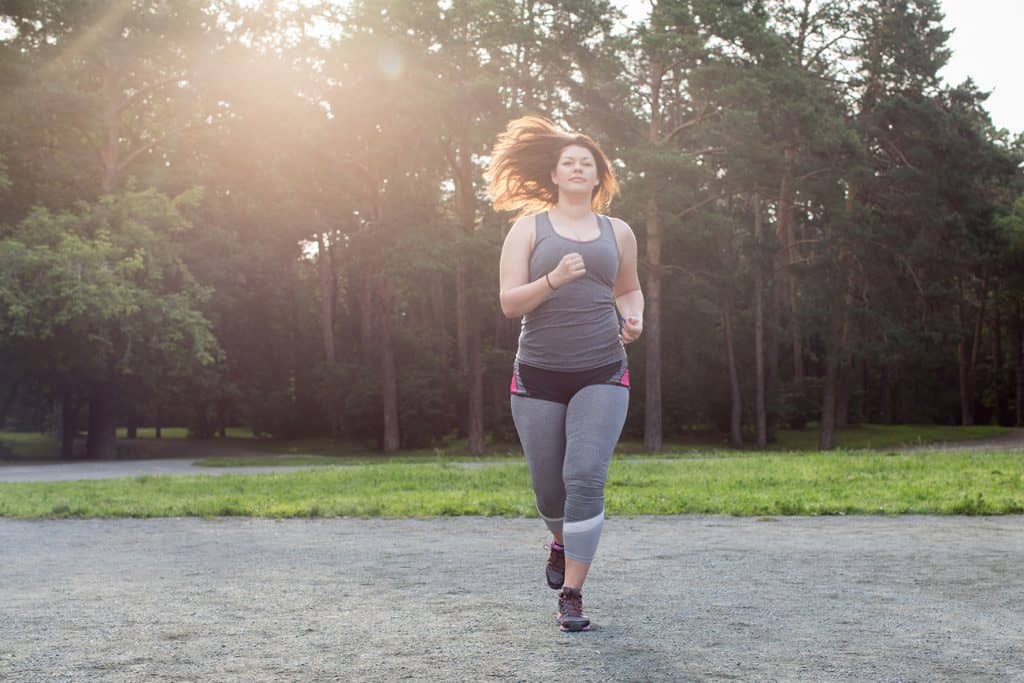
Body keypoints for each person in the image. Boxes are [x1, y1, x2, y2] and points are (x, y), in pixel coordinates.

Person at [488, 116, 644, 632]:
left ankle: (572, 594)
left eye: (588, 163)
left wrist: (634, 315)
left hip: (602, 369)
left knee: (585, 478)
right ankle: (559, 541)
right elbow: (510, 303)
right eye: (569, 162)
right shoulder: (528, 228)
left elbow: (628, 288)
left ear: (599, 176)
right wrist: (553, 279)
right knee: (549, 493)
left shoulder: (617, 231)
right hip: (537, 375)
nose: (578, 168)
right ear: (554, 175)